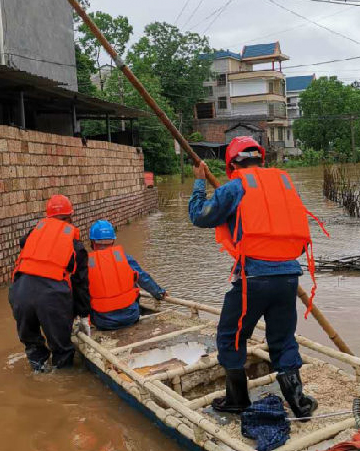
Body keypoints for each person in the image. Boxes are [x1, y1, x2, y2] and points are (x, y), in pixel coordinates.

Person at [188, 137, 327, 417]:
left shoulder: (234, 186)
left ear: (231, 164)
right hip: (288, 275)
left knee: (230, 337)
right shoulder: (284, 183)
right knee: (283, 339)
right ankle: (299, 403)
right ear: (260, 159)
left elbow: (200, 216)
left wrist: (199, 182)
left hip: (253, 279)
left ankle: (237, 399)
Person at [10, 194, 90, 372]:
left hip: (19, 294)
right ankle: (61, 385)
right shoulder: (75, 245)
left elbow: (23, 244)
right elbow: (80, 283)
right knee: (62, 350)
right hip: (51, 298)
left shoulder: (33, 234)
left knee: (32, 345)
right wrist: (83, 314)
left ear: (48, 217)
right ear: (70, 217)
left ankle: (38, 371)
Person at [86, 219, 168, 331]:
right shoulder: (125, 258)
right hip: (131, 317)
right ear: (113, 241)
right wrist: (159, 293)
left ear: (92, 242)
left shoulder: (86, 264)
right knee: (134, 280)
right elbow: (144, 279)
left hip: (104, 322)